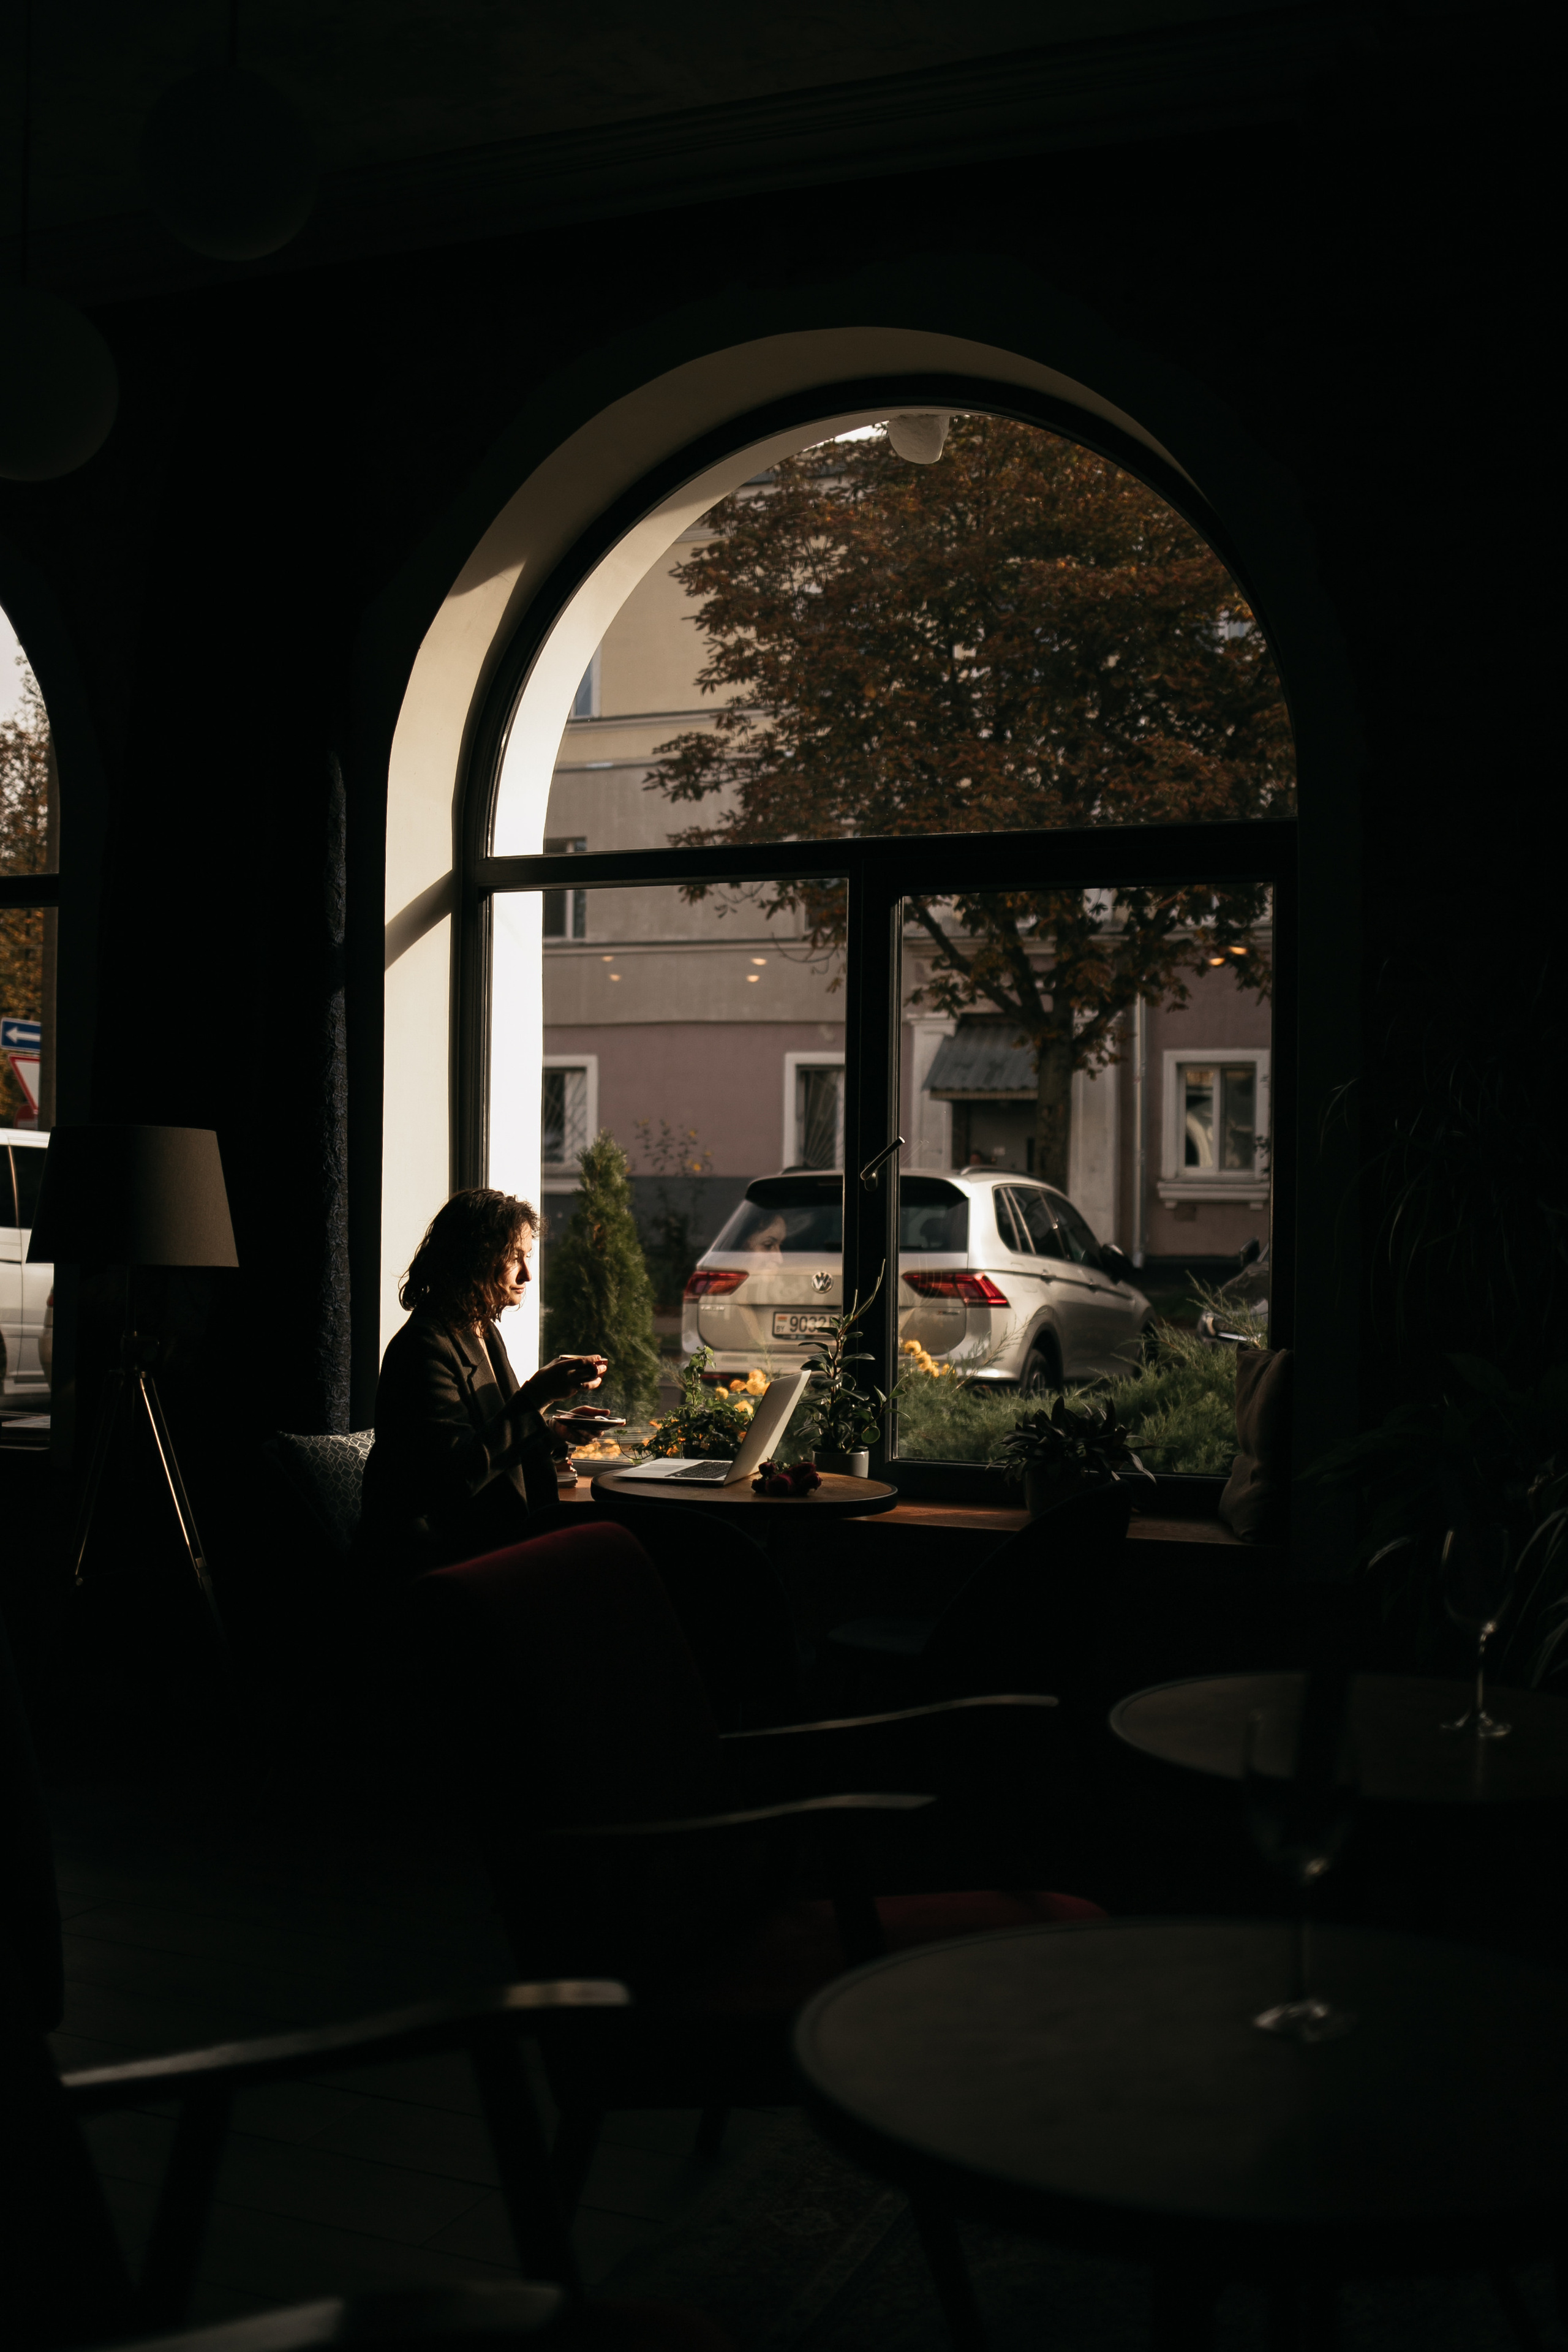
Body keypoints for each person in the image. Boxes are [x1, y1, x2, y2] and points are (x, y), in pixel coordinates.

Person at [357, 1188, 608, 1578]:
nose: (527, 1274)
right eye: (514, 1258)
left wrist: (556, 1431)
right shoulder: (422, 1348)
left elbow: (491, 1436)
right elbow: (454, 1478)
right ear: (473, 1259)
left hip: (481, 1548)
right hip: (434, 1566)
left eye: (529, 1257)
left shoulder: (483, 1332)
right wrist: (538, 1394)